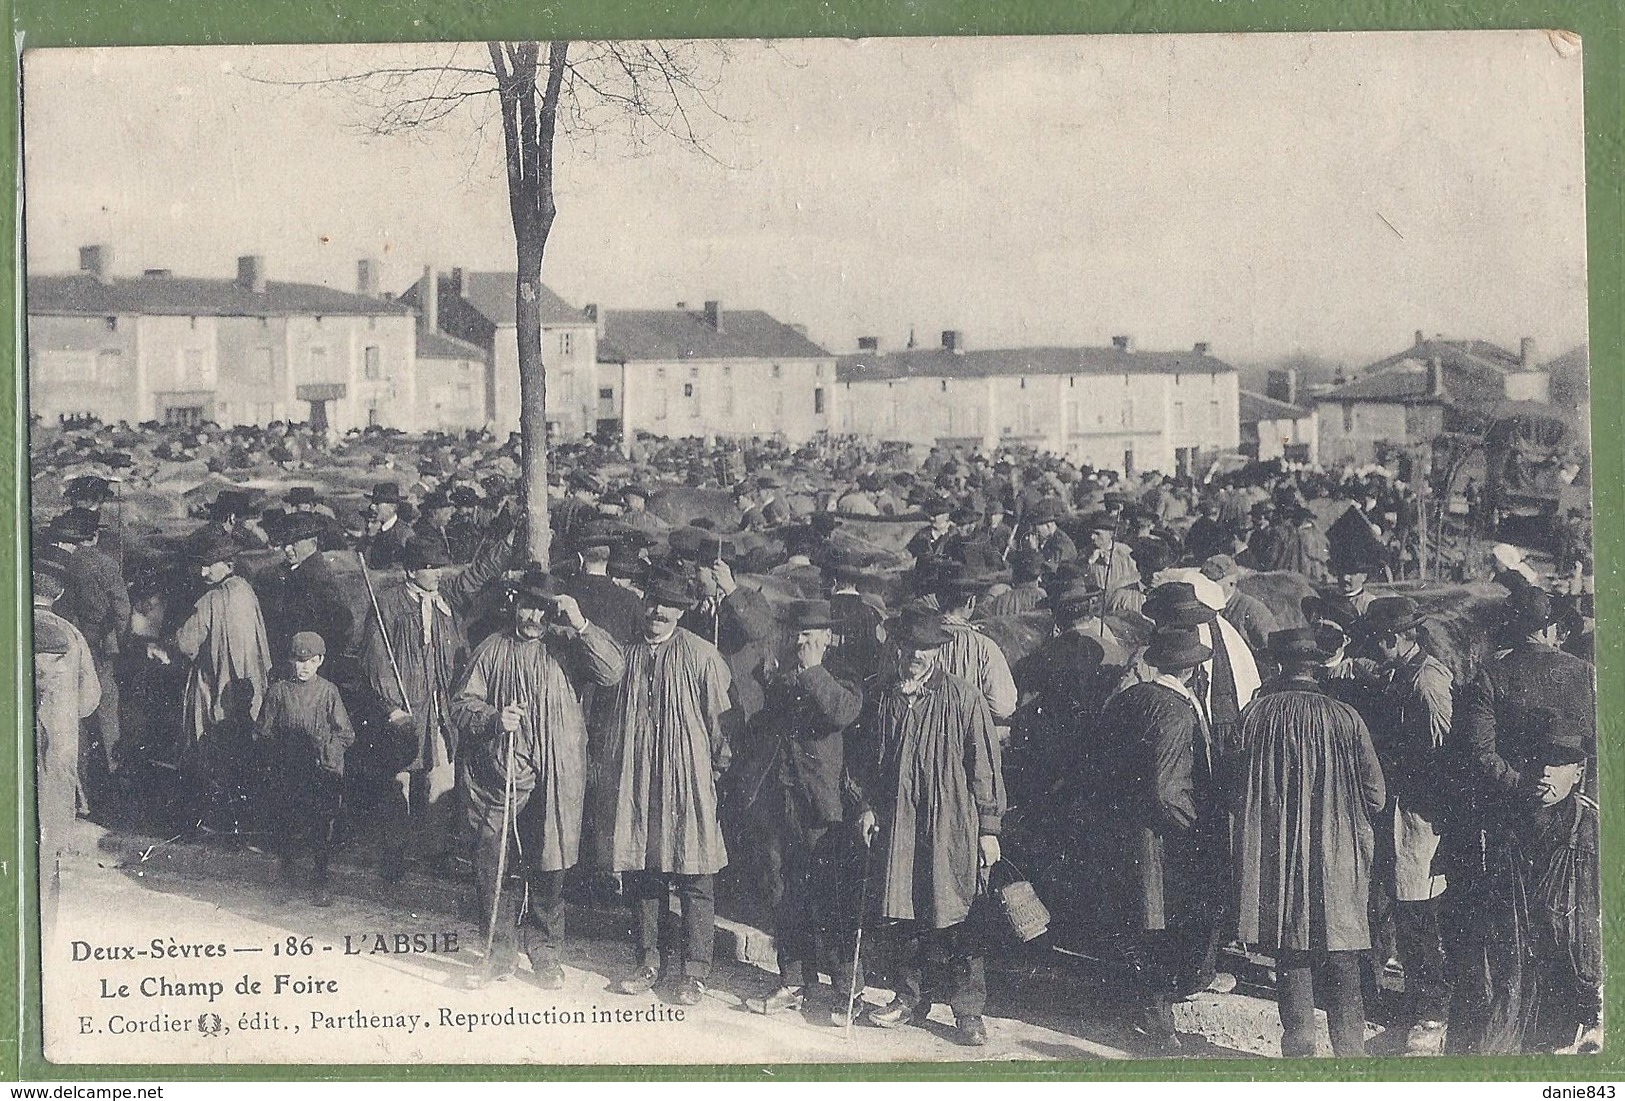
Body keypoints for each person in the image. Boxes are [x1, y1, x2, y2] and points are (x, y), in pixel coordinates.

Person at [451, 568, 626, 988]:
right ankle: (499, 953)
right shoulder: (493, 648)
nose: (532, 615)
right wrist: (495, 717)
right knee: (497, 862)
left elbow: (613, 671)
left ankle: (546, 954)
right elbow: (460, 703)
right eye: (526, 605)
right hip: (504, 772)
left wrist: (581, 623)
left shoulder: (569, 647)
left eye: (542, 608)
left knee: (551, 865)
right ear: (514, 604)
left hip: (559, 774)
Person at [1446, 585, 1599, 1053]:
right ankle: (1564, 1025)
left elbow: (1478, 753)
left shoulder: (1491, 676)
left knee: (1508, 929)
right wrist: (1571, 784)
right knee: (1567, 918)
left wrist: (1519, 784)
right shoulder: (1584, 673)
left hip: (1510, 821)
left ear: (1511, 626)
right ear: (1551, 627)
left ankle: (1508, 1031)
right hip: (1571, 817)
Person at [847, 610, 1005, 1047]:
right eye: (907, 647)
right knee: (903, 912)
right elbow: (866, 763)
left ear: (938, 650)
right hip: (899, 822)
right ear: (896, 647)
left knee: (956, 915)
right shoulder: (883, 697)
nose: (915, 656)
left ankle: (968, 1011)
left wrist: (989, 828)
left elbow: (985, 768)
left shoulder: (962, 697)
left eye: (924, 648)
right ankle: (909, 996)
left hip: (951, 823)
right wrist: (866, 807)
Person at [1231, 628, 1387, 1057]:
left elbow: (1233, 786)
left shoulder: (1256, 715)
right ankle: (1351, 1054)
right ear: (1319, 664)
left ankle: (1299, 1052)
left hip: (1278, 850)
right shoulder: (1347, 717)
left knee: (1291, 948)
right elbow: (1376, 795)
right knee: (1342, 950)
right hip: (1338, 850)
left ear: (1280, 665)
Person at [1096, 626, 1229, 1053]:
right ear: (1190, 670)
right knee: (1160, 926)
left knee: (1137, 924)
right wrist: (1198, 831)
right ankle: (1160, 1023)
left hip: (1121, 831)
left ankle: (1145, 1007)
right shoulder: (1176, 713)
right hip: (1161, 839)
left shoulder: (1127, 700)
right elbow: (1166, 792)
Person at [607, 569, 735, 1006]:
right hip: (641, 781)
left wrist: (713, 777)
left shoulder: (703, 656)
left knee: (696, 875)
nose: (658, 612)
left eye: (669, 605)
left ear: (681, 611)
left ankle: (695, 971)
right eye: (653, 602)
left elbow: (724, 728)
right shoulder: (625, 657)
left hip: (690, 782)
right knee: (645, 872)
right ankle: (649, 960)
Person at [359, 530, 514, 881]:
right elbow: (376, 659)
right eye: (431, 568)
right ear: (412, 571)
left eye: (441, 566)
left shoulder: (445, 599)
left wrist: (506, 544)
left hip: (439, 707)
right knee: (398, 781)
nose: (439, 573)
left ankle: (433, 853)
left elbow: (476, 576)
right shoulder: (389, 604)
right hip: (404, 706)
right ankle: (395, 855)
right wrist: (391, 707)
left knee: (440, 778)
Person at [740, 600, 864, 1019]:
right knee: (783, 893)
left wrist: (813, 671)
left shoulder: (843, 677)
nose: (802, 642)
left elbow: (841, 712)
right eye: (798, 635)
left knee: (828, 897)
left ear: (828, 638)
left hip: (823, 806)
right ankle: (793, 980)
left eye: (811, 635)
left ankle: (849, 988)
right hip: (781, 801)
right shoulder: (786, 675)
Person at [1351, 595, 1453, 1053]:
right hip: (1399, 809)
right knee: (1404, 906)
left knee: (1421, 910)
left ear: (1393, 639)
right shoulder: (1401, 674)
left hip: (1420, 813)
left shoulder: (1427, 682)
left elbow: (1444, 754)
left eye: (1377, 642)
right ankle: (1416, 997)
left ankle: (1433, 1011)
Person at [166, 528, 273, 834]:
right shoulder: (247, 593)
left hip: (216, 687)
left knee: (210, 748)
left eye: (207, 565)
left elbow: (186, 644)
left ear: (227, 563)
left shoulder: (210, 600)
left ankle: (214, 817)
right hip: (250, 686)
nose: (202, 571)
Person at [254, 632, 354, 908]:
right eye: (298, 661)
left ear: (320, 661)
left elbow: (346, 734)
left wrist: (325, 751)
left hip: (319, 770)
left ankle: (320, 881)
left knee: (320, 828)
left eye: (310, 661)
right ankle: (287, 877)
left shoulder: (328, 691)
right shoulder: (279, 691)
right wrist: (278, 754)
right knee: (287, 823)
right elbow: (263, 730)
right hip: (289, 770)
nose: (304, 667)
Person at [32, 548, 101, 943]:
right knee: (48, 853)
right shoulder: (72, 636)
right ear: (58, 594)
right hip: (57, 759)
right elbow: (90, 699)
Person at [45, 508, 129, 797]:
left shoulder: (62, 563)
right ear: (94, 535)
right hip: (99, 647)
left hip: (65, 643)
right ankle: (115, 777)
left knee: (71, 716)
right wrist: (121, 643)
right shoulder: (105, 564)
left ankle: (80, 784)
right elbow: (121, 610)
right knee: (106, 711)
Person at [255, 512, 355, 672]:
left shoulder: (318, 579)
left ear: (312, 542)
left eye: (294, 542)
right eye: (285, 542)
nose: (287, 549)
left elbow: (340, 626)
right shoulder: (293, 571)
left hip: (310, 666)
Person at [1200, 555, 1277, 659]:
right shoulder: (1205, 608)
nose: (1206, 589)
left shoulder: (1252, 610)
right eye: (1204, 583)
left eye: (1213, 584)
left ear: (1231, 584)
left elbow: (1273, 650)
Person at [361, 482, 411, 569]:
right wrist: (370, 536)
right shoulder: (372, 529)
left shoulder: (404, 534)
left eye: (377, 503)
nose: (372, 507)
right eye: (373, 502)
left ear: (393, 507)